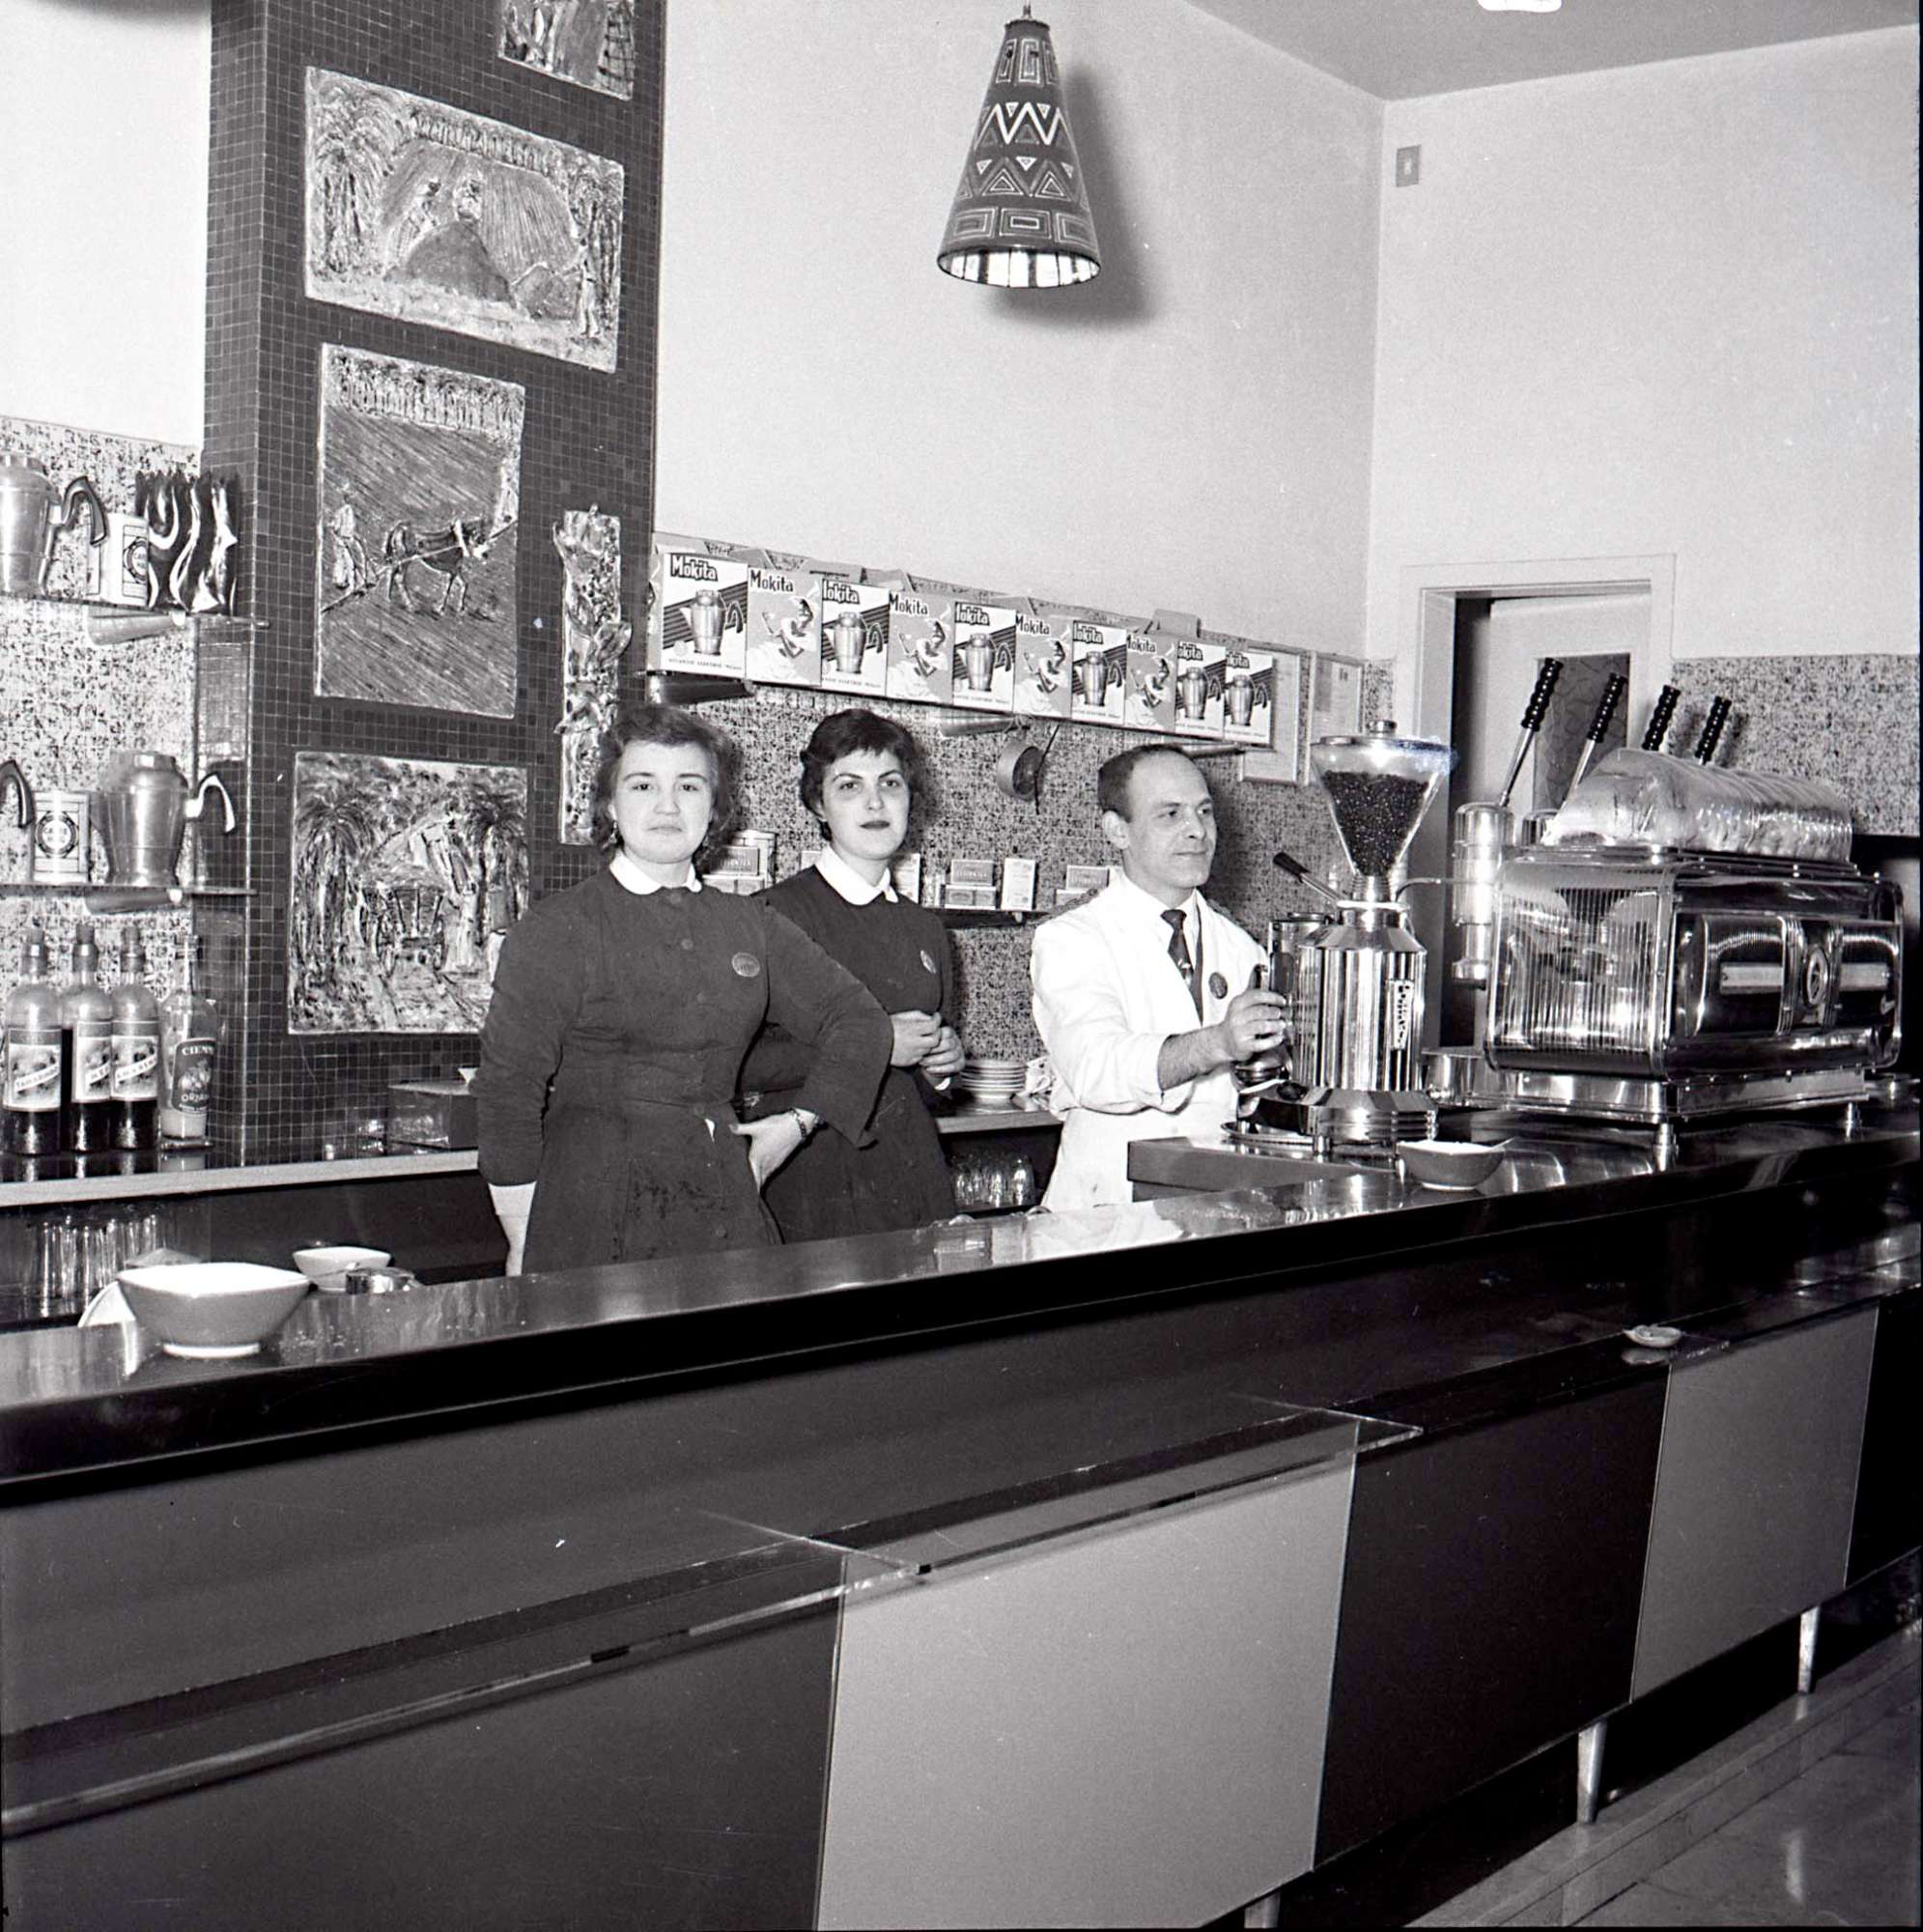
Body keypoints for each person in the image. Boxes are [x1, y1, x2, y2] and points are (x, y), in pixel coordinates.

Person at [475, 704, 891, 1275]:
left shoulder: (750, 924)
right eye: (643, 785)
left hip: (725, 1213)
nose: (667, 806)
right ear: (609, 804)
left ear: (714, 808)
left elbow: (860, 1021)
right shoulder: (557, 929)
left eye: (689, 786)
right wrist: (525, 1238)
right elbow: (507, 1093)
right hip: (590, 1220)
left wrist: (795, 1125)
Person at [739, 709, 963, 1240]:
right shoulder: (771, 916)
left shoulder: (925, 929)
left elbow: (924, 1090)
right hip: (810, 1181)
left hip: (911, 1182)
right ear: (818, 803)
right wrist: (877, 1043)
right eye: (849, 786)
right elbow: (739, 1065)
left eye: (890, 783)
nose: (875, 803)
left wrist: (942, 1066)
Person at [1031, 746, 1287, 1210]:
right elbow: (1096, 1068)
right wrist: (1217, 1043)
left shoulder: (1241, 945)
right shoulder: (1071, 938)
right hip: (1107, 1206)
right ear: (1117, 830)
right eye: (1170, 814)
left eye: (1204, 812)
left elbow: (1256, 1091)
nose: (1197, 830)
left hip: (1214, 1203)